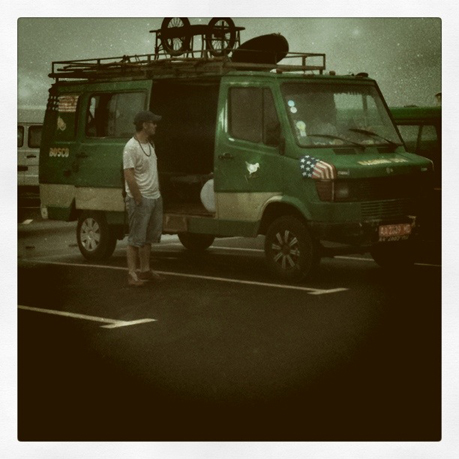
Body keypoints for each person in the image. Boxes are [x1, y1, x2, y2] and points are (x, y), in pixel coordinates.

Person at [123, 110, 164, 287]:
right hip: (141, 199)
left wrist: (157, 193)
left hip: (154, 197)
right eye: (153, 123)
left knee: (148, 237)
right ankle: (132, 274)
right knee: (135, 238)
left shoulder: (150, 145)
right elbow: (129, 174)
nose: (155, 126)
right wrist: (138, 197)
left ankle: (145, 270)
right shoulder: (131, 147)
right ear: (144, 125)